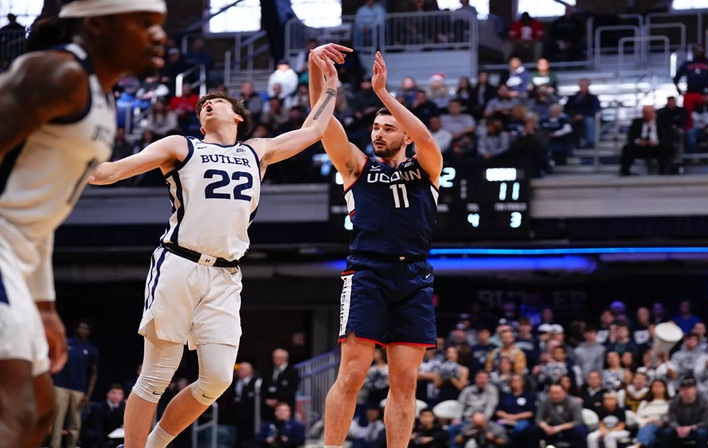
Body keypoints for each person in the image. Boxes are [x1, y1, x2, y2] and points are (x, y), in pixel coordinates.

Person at [88, 50, 341, 448]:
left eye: (217, 101)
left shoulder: (257, 151)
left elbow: (312, 131)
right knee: (156, 377)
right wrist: (67, 158)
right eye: (203, 103)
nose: (207, 104)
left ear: (237, 116)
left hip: (226, 274)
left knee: (219, 378)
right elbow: (110, 172)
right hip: (179, 264)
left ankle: (155, 444)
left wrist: (328, 85)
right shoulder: (180, 145)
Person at [0, 2, 167, 447]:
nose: (159, 35)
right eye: (144, 23)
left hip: (18, 255)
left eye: (161, 25)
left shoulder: (101, 95)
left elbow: (37, 212)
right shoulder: (57, 74)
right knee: (17, 410)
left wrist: (44, 304)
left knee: (38, 412)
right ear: (98, 23)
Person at [307, 46, 443, 448]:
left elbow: (425, 136)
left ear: (401, 134)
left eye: (387, 128)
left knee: (405, 380)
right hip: (366, 271)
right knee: (352, 373)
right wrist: (317, 70)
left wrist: (384, 95)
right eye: (375, 129)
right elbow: (320, 118)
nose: (379, 133)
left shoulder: (427, 167)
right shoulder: (356, 166)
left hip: (414, 275)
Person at [50, 320, 100, 448]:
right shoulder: (66, 343)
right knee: (57, 420)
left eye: (86, 329)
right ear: (76, 329)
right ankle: (54, 446)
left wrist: (88, 394)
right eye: (81, 328)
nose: (83, 331)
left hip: (78, 389)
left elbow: (93, 373)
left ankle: (71, 446)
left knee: (75, 422)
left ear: (89, 332)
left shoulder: (91, 350)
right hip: (60, 386)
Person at [673, 45, 708, 129]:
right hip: (690, 93)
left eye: (700, 50)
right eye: (697, 50)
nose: (699, 52)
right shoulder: (687, 64)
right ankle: (689, 134)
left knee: (707, 114)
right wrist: (679, 90)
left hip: (705, 94)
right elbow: (676, 78)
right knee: (688, 116)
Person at [660, 376, 708, 448]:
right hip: (680, 428)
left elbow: (705, 422)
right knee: (667, 432)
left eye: (689, 388)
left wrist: (691, 428)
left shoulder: (705, 401)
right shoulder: (675, 401)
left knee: (702, 433)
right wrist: (677, 427)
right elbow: (672, 420)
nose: (686, 391)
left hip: (698, 427)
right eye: (684, 389)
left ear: (695, 389)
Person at [536, 382, 587, 448]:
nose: (555, 396)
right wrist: (546, 427)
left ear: (564, 392)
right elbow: (538, 418)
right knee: (533, 430)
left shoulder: (574, 402)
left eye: (557, 393)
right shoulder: (547, 401)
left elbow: (578, 421)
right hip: (551, 426)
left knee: (580, 431)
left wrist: (559, 428)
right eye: (552, 393)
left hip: (568, 427)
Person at [262, 348, 300, 420]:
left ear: (285, 359)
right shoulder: (268, 370)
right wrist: (266, 400)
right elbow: (263, 386)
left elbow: (292, 388)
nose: (276, 360)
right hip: (268, 407)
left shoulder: (292, 371)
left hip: (286, 404)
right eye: (275, 357)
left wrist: (278, 400)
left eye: (279, 358)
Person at [84, 384, 126, 448]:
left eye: (120, 394)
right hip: (99, 437)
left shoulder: (123, 408)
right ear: (108, 394)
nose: (117, 396)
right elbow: (97, 427)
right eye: (114, 393)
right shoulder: (98, 407)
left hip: (115, 438)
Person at [632, 379, 670, 448]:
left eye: (660, 386)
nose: (657, 388)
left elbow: (669, 417)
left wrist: (654, 420)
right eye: (655, 386)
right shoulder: (645, 403)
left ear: (665, 388)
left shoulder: (669, 403)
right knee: (651, 436)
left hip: (662, 426)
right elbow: (637, 417)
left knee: (651, 426)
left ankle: (638, 445)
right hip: (645, 425)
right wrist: (644, 422)